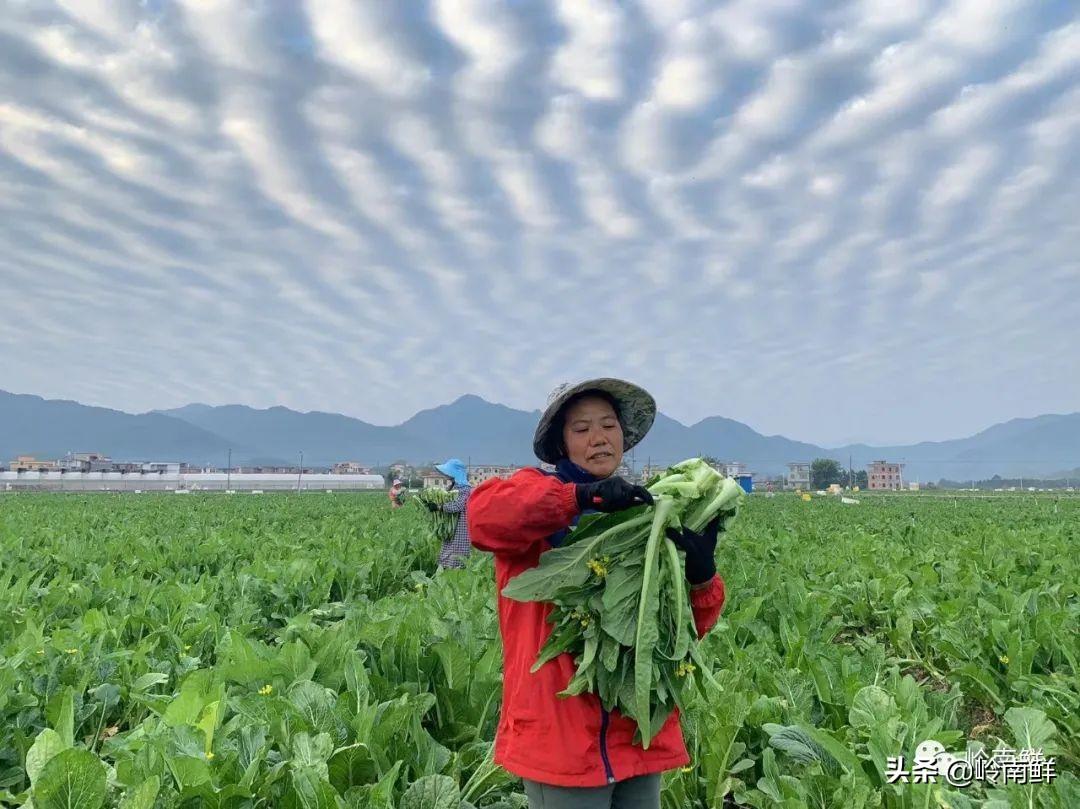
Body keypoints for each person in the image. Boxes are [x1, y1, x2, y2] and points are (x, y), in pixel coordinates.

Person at [467, 379, 727, 809]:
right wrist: (579, 497)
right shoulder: (536, 495)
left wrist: (702, 577)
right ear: (562, 443)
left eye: (608, 425)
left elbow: (677, 633)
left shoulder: (645, 512)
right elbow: (482, 516)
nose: (598, 438)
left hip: (637, 734)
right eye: (582, 428)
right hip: (563, 741)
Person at [424, 458, 473, 569]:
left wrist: (439, 507)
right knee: (447, 551)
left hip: (460, 527)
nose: (446, 474)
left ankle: (456, 577)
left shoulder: (465, 489)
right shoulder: (452, 486)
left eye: (449, 472)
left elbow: (457, 506)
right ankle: (445, 577)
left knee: (457, 554)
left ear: (456, 473)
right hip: (450, 528)